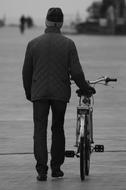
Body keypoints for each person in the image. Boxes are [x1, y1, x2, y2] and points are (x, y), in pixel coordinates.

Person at [22, 7, 96, 181]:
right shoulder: (69, 44)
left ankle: (41, 170)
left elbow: (26, 73)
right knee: (58, 128)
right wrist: (85, 88)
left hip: (38, 93)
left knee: (39, 130)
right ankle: (56, 168)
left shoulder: (33, 44)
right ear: (61, 23)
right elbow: (77, 73)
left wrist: (29, 93)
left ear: (46, 22)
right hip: (60, 93)